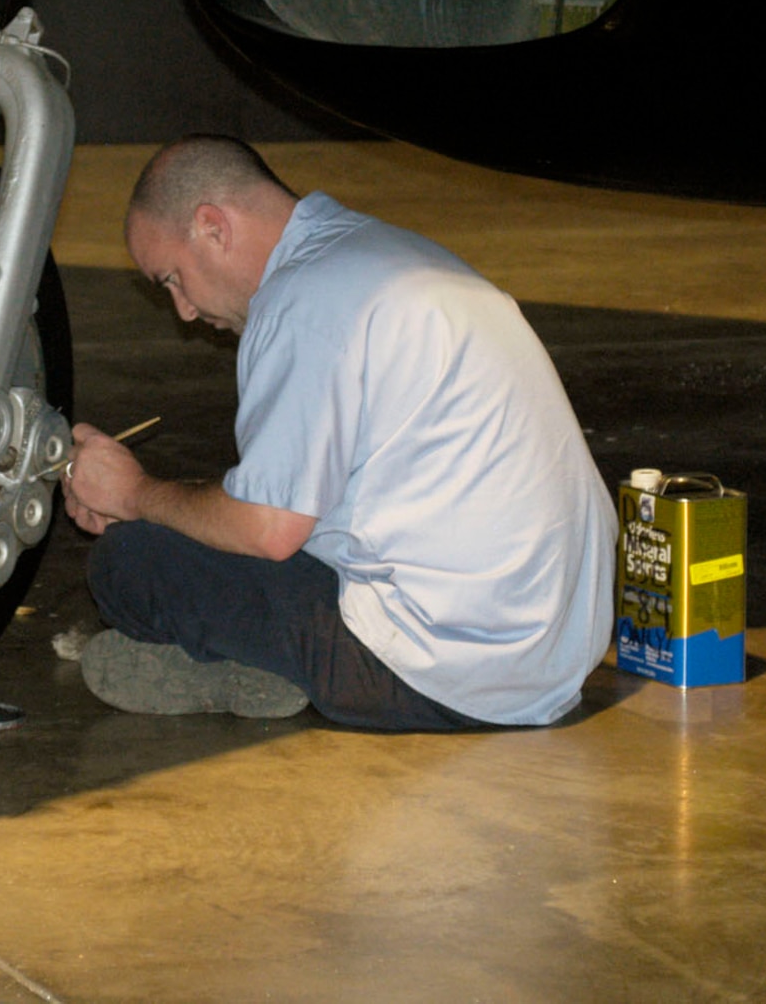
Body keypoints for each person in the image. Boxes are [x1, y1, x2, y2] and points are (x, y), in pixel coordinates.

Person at [61, 134, 614, 730]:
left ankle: (241, 667)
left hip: (442, 674)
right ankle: (256, 661)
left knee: (129, 561)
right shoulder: (375, 254)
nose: (184, 311)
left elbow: (268, 529)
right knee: (203, 525)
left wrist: (134, 495)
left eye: (171, 278)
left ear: (213, 227)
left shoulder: (300, 302)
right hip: (554, 657)